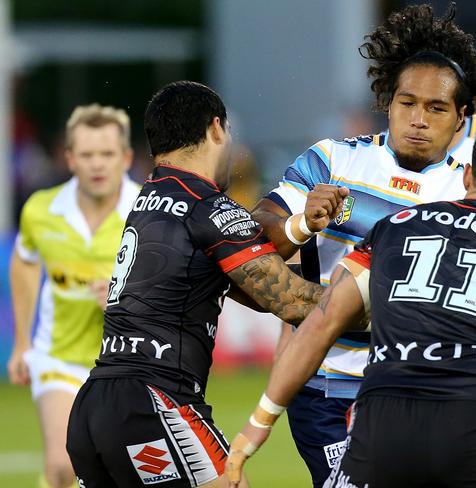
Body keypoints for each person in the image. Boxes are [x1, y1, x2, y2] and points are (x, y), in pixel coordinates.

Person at [251, 4, 476, 485]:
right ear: (388, 100)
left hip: (446, 392)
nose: (418, 118)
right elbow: (256, 233)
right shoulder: (333, 161)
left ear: (462, 114)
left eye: (435, 106)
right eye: (406, 102)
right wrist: (299, 223)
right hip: (333, 388)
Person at [66, 81, 338, 488]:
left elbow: (258, 294)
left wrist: (299, 227)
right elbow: (293, 302)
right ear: (216, 129)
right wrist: (387, 298)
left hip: (94, 406)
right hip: (154, 402)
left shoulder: (150, 200)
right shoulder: (206, 205)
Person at [7, 104, 140, 488]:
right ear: (69, 158)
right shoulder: (41, 210)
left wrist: (121, 297)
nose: (97, 164)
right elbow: (25, 263)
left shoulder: (146, 212)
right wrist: (21, 344)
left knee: (120, 470)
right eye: (86, 154)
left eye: (107, 154)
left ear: (126, 158)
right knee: (64, 465)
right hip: (59, 356)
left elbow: (171, 285)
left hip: (125, 362)